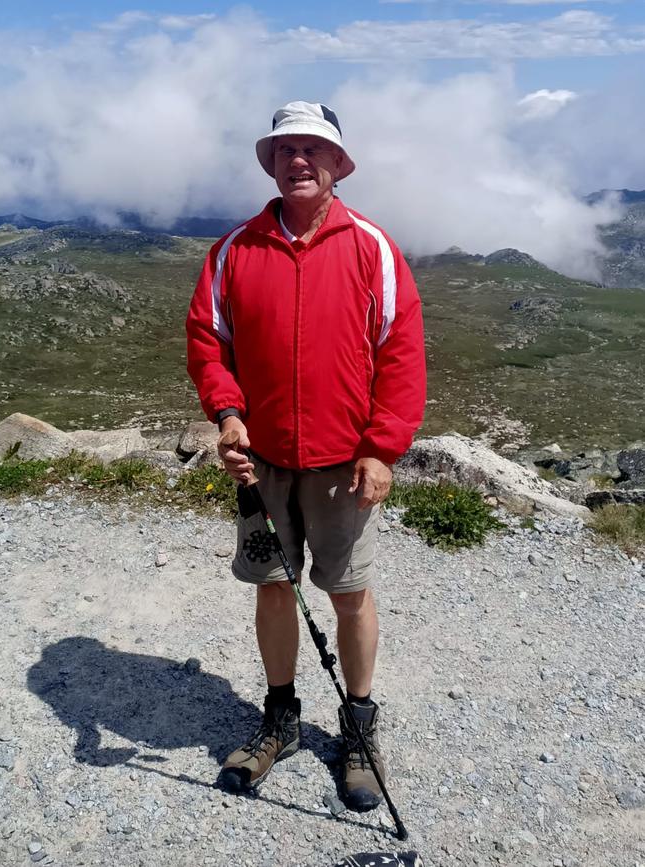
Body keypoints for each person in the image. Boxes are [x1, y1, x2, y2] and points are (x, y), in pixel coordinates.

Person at [186, 100, 426, 811]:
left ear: (337, 165)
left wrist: (383, 449)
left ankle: (358, 723)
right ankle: (281, 716)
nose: (298, 159)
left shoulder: (372, 248)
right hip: (260, 462)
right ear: (271, 162)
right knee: (273, 585)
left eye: (312, 149)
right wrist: (228, 414)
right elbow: (208, 340)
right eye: (285, 148)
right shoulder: (235, 250)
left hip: (343, 463)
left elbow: (402, 354)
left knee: (348, 593)